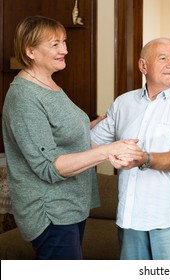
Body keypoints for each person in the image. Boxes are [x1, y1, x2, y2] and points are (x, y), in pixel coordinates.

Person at [1, 15, 142, 260]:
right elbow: (48, 167)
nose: (64, 49)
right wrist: (108, 150)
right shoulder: (24, 97)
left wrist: (87, 125)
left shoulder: (49, 84)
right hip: (51, 210)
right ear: (30, 51)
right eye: (55, 44)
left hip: (71, 204)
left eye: (64, 42)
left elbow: (52, 133)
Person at [91, 38, 170, 260]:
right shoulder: (123, 103)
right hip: (130, 217)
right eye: (163, 58)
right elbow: (92, 144)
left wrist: (144, 159)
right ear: (143, 66)